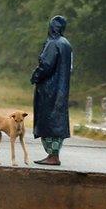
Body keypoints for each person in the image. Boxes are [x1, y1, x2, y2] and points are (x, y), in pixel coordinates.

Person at [31, 15, 73, 166]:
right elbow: (70, 67)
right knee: (58, 121)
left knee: (47, 121)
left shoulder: (53, 43)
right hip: (62, 89)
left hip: (49, 89)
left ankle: (52, 155)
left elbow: (46, 65)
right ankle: (54, 154)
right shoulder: (67, 44)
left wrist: (35, 76)